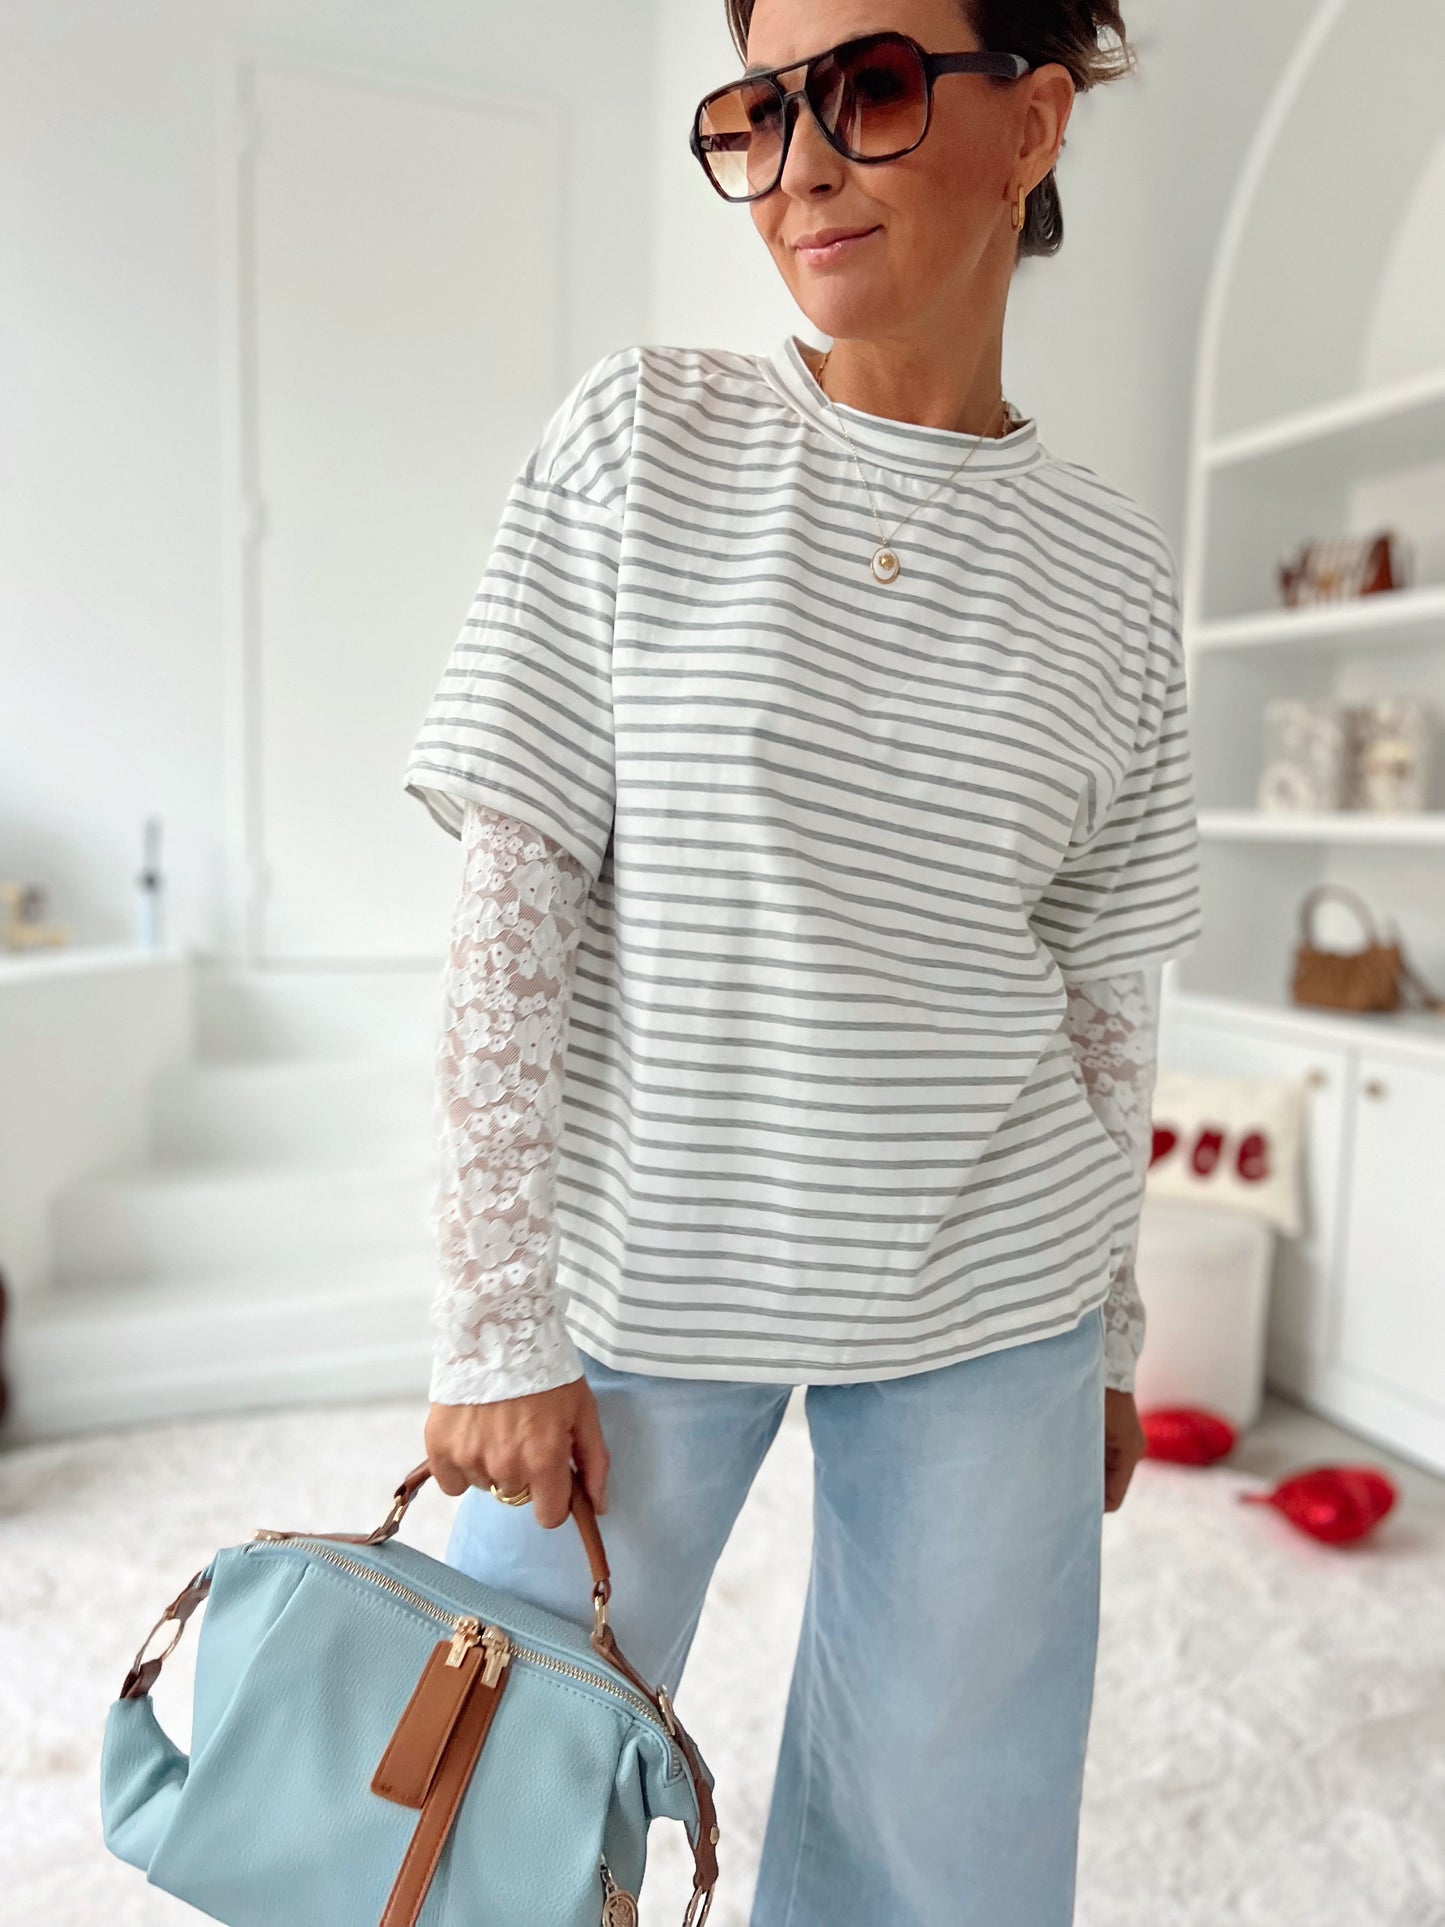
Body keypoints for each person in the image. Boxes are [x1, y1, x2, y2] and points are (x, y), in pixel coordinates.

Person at [400, 3, 1202, 1920]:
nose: (799, 161)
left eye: (866, 88)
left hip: (990, 1280)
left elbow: (1101, 1004)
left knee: (956, 1834)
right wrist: (495, 1320)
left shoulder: (1114, 575)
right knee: (472, 1796)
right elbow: (509, 910)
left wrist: (1100, 1328)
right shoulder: (642, 439)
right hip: (647, 1266)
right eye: (757, 112)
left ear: (1033, 126)